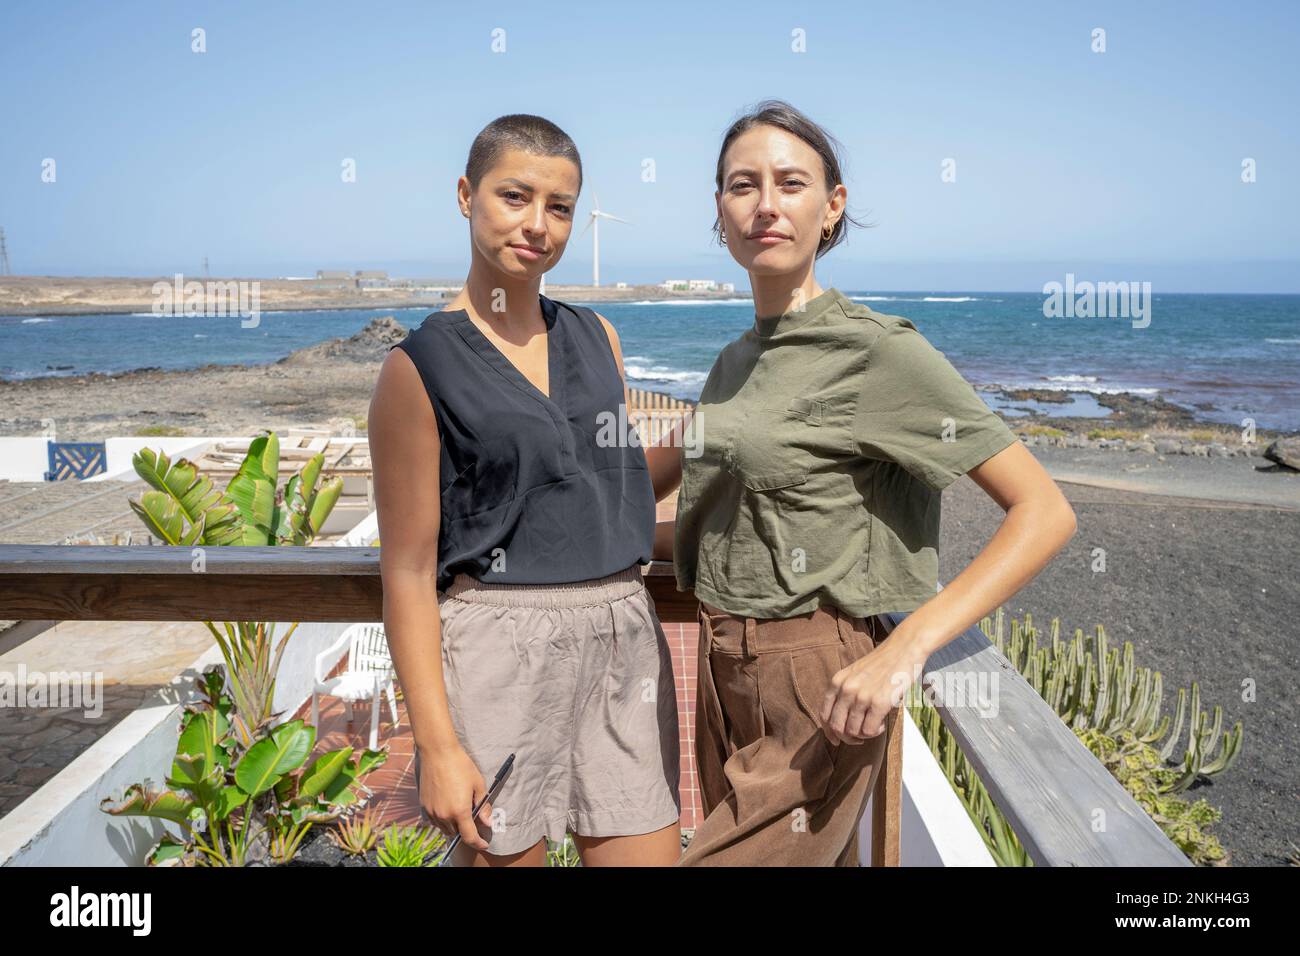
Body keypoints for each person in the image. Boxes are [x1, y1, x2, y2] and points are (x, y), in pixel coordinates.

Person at [672, 100, 1078, 866]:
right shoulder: (735, 360)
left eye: (791, 184)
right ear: (719, 210)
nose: (765, 205)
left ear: (832, 207)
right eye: (741, 185)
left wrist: (907, 648)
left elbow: (1044, 511)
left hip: (814, 684)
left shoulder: (877, 353)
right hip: (722, 667)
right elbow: (735, 520)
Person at [369, 114, 685, 867]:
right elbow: (407, 571)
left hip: (623, 638)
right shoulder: (417, 369)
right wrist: (436, 745)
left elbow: (614, 480)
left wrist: (731, 422)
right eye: (515, 196)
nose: (537, 224)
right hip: (498, 649)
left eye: (561, 206)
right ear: (465, 195)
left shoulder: (597, 336)